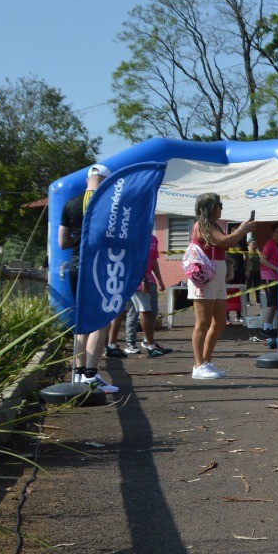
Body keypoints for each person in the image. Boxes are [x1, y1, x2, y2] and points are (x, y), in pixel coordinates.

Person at [58, 164, 120, 393]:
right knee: (100, 320)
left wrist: (80, 239)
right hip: (99, 266)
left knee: (81, 320)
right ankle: (91, 376)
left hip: (75, 265)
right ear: (106, 181)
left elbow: (62, 243)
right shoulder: (110, 204)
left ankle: (78, 372)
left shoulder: (69, 203)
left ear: (87, 180)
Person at [186, 192, 256, 380]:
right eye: (219, 205)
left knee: (218, 322)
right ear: (210, 207)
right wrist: (242, 229)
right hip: (204, 279)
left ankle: (206, 362)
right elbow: (224, 241)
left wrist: (240, 231)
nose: (221, 208)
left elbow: (226, 243)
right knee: (203, 323)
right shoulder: (201, 225)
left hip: (217, 279)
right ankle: (198, 365)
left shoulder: (214, 225)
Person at [124, 229, 170, 357]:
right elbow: (134, 260)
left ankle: (147, 340)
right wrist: (142, 279)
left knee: (152, 310)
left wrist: (160, 280)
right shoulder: (134, 237)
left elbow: (154, 261)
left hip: (150, 279)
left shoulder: (153, 239)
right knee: (136, 311)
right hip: (135, 280)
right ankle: (130, 343)